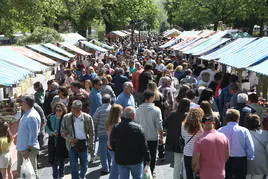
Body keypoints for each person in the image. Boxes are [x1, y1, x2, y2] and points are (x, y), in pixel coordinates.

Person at [111, 106, 150, 179]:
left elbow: (112, 143)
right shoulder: (138, 128)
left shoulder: (116, 127)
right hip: (136, 159)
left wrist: (117, 151)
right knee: (137, 177)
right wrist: (147, 159)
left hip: (121, 159)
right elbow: (144, 145)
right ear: (133, 115)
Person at [61, 100, 94, 179]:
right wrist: (70, 139)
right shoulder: (66, 117)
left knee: (84, 165)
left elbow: (92, 132)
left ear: (79, 109)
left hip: (83, 144)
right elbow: (62, 131)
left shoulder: (87, 118)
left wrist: (91, 145)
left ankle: (81, 176)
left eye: (73, 108)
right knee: (73, 166)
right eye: (71, 107)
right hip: (72, 145)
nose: (71, 109)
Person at [218, 109, 255, 179]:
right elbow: (250, 146)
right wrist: (250, 157)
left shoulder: (220, 130)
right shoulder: (244, 130)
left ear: (227, 118)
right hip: (240, 160)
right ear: (238, 118)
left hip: (225, 159)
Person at [135, 91, 163, 176]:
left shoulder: (137, 110)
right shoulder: (156, 110)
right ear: (151, 98)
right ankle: (151, 172)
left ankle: (144, 172)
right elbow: (159, 125)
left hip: (141, 137)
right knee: (152, 155)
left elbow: (136, 123)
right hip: (152, 137)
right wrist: (161, 137)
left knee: (142, 156)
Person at [164, 98, 190, 179]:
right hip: (185, 141)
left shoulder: (173, 114)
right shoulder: (187, 116)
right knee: (185, 164)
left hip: (174, 142)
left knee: (177, 163)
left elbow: (164, 124)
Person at [16, 95, 41, 178]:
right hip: (23, 148)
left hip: (27, 149)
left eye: (22, 102)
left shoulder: (32, 116)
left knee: (32, 173)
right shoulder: (27, 113)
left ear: (26, 103)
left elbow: (33, 135)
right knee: (24, 174)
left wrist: (28, 150)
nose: (20, 104)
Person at [46, 103, 68, 179]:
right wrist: (52, 133)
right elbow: (47, 128)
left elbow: (68, 129)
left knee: (61, 160)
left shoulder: (66, 118)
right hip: (52, 143)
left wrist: (64, 133)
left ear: (63, 110)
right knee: (53, 162)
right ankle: (55, 176)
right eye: (56, 110)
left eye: (60, 110)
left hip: (62, 143)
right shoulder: (50, 117)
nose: (58, 112)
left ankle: (61, 174)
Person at [181, 108, 204, 179]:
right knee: (199, 174)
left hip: (187, 152)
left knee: (189, 174)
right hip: (198, 153)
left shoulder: (184, 125)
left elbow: (183, 136)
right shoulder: (202, 127)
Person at [93, 94, 112, 175]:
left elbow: (94, 120)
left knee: (103, 152)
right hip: (111, 133)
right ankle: (110, 165)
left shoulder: (99, 109)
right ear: (110, 100)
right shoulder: (112, 109)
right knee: (110, 150)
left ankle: (105, 168)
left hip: (102, 133)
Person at [245, 114, 268, 179]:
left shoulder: (243, 133)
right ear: (259, 123)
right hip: (261, 166)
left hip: (246, 166)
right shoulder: (265, 134)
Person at [106, 104, 123, 179]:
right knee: (116, 167)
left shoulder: (109, 121)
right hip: (116, 146)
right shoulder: (118, 123)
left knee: (116, 165)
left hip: (110, 146)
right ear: (118, 112)